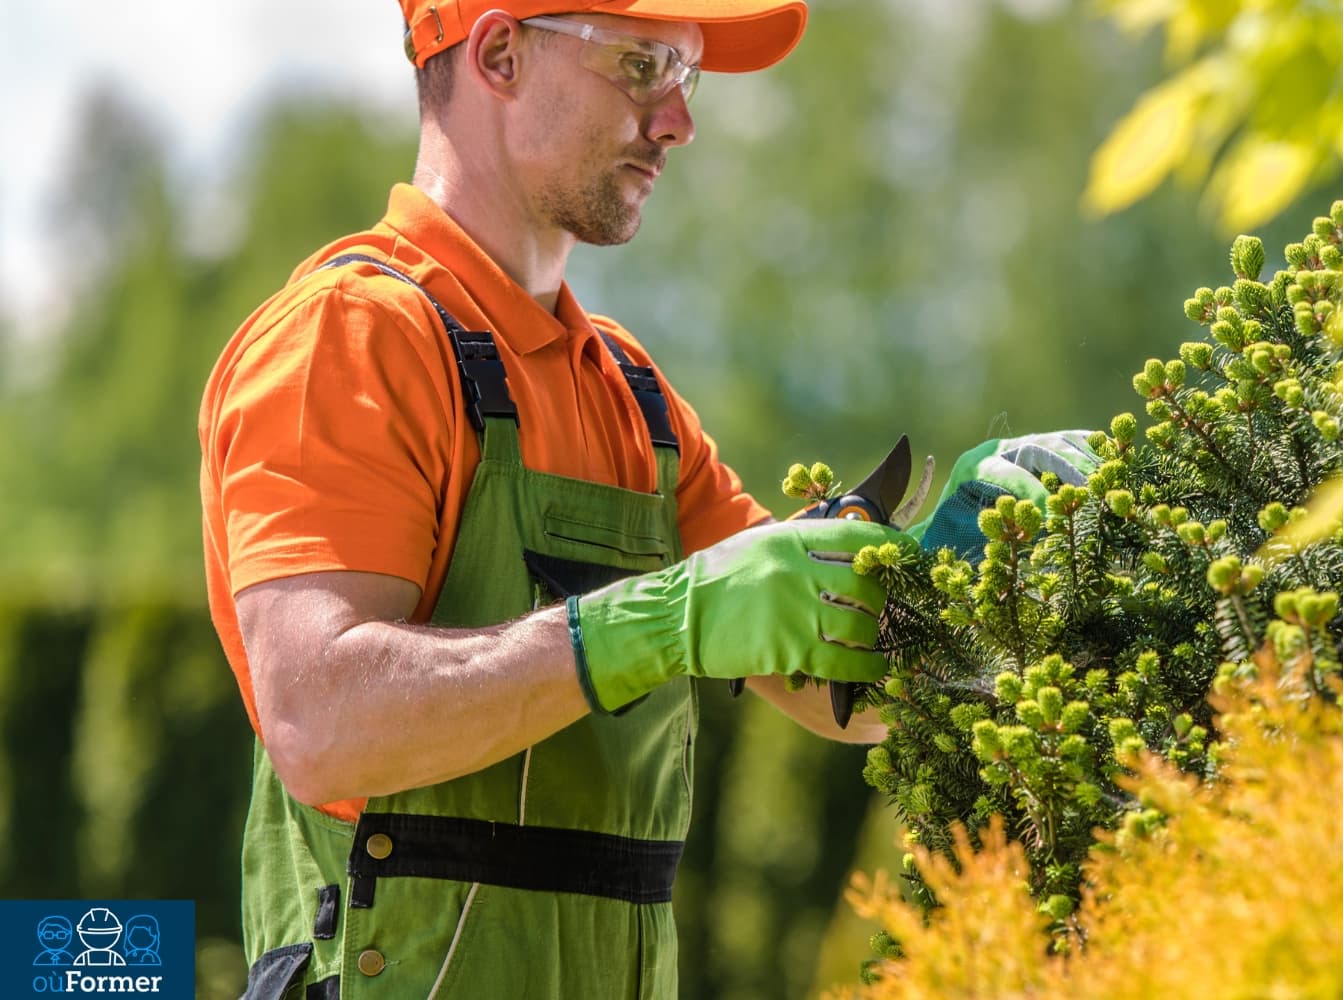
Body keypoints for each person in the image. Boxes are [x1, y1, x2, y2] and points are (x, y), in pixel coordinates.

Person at [200, 2, 896, 996]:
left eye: (684, 77)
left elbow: (841, 691)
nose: (678, 122)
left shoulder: (633, 396)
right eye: (644, 64)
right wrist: (651, 626)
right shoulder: (351, 337)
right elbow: (319, 720)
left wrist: (994, 574)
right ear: (497, 51)